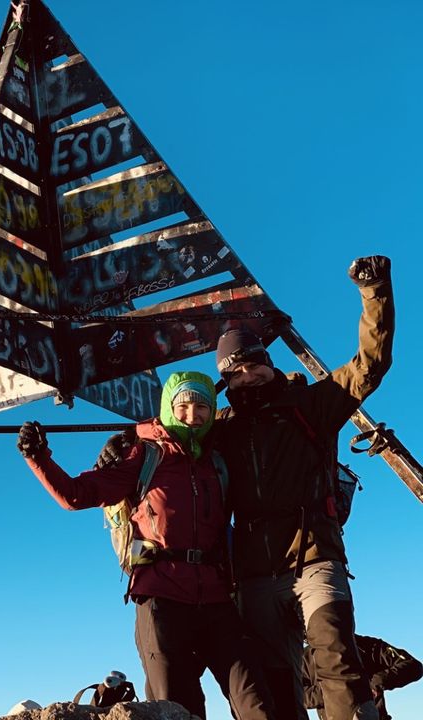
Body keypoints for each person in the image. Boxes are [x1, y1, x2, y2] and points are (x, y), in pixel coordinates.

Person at [17, 372, 274, 720]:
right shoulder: (143, 456)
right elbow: (76, 495)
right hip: (161, 599)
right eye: (182, 406)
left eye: (201, 407)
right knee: (179, 708)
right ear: (168, 408)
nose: (192, 415)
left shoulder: (217, 458)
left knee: (255, 700)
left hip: (216, 598)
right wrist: (38, 457)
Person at [212, 255, 395, 720]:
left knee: (335, 657)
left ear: (268, 365)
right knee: (277, 682)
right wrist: (125, 442)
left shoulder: (312, 404)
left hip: (315, 556)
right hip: (255, 573)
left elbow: (369, 365)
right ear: (227, 380)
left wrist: (373, 293)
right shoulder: (224, 427)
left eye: (254, 367)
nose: (248, 377)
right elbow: (175, 429)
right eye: (236, 373)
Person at [303, 635, 422, 720]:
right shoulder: (303, 658)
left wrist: (373, 683)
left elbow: (413, 666)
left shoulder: (368, 646)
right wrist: (335, 690)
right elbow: (295, 694)